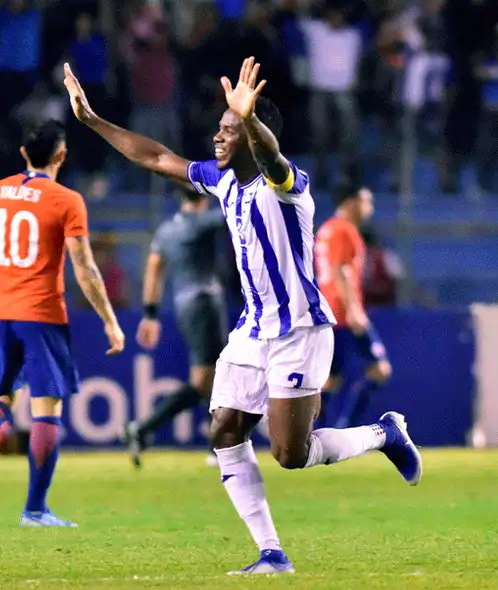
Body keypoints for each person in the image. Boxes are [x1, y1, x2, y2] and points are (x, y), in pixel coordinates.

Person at [64, 57, 421, 574]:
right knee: (224, 429)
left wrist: (250, 120)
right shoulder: (220, 180)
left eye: (229, 130)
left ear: (254, 134)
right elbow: (159, 157)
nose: (217, 136)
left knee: (290, 454)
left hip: (299, 329)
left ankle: (385, 433)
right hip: (253, 330)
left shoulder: (289, 184)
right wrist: (93, 120)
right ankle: (271, 554)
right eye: (220, 127)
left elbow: (272, 159)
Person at [0, 120, 125, 527]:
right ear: (61, 156)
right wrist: (110, 319)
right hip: (40, 313)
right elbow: (85, 268)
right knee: (45, 410)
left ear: (23, 154)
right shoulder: (66, 200)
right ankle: (35, 510)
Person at [125, 186, 229, 467]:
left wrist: (150, 314)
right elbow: (237, 214)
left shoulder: (165, 231)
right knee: (211, 378)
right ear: (204, 198)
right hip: (205, 302)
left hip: (184, 306)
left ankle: (216, 446)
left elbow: (153, 270)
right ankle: (145, 428)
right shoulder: (203, 222)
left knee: (211, 378)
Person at [315, 186, 392, 429]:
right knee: (379, 369)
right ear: (350, 202)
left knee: (330, 380)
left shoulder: (327, 229)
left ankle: (313, 436)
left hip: (328, 312)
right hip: (343, 313)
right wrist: (354, 308)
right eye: (365, 201)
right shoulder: (344, 230)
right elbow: (342, 270)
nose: (369, 207)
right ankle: (344, 428)